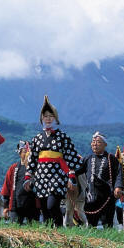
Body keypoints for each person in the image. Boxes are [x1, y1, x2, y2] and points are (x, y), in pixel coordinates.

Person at [24, 96, 80, 227]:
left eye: (51, 116)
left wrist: (71, 176)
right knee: (44, 208)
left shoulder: (63, 137)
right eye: (45, 116)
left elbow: (70, 157)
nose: (48, 119)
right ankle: (50, 233)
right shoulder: (37, 138)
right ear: (41, 119)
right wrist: (28, 176)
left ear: (56, 118)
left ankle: (59, 228)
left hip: (57, 175)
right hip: (41, 176)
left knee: (52, 205)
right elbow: (32, 159)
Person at [76, 132, 121, 228]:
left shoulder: (111, 159)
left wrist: (118, 187)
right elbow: (77, 170)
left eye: (98, 142)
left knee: (107, 224)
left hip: (107, 196)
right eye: (93, 142)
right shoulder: (87, 159)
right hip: (90, 197)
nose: (95, 144)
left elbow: (118, 174)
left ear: (105, 145)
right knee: (91, 224)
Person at [1, 141, 40, 224]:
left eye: (29, 152)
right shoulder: (13, 168)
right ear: (20, 153)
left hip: (33, 204)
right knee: (15, 229)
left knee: (33, 230)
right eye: (25, 152)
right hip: (16, 204)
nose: (27, 154)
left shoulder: (37, 168)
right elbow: (6, 188)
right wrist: (5, 206)